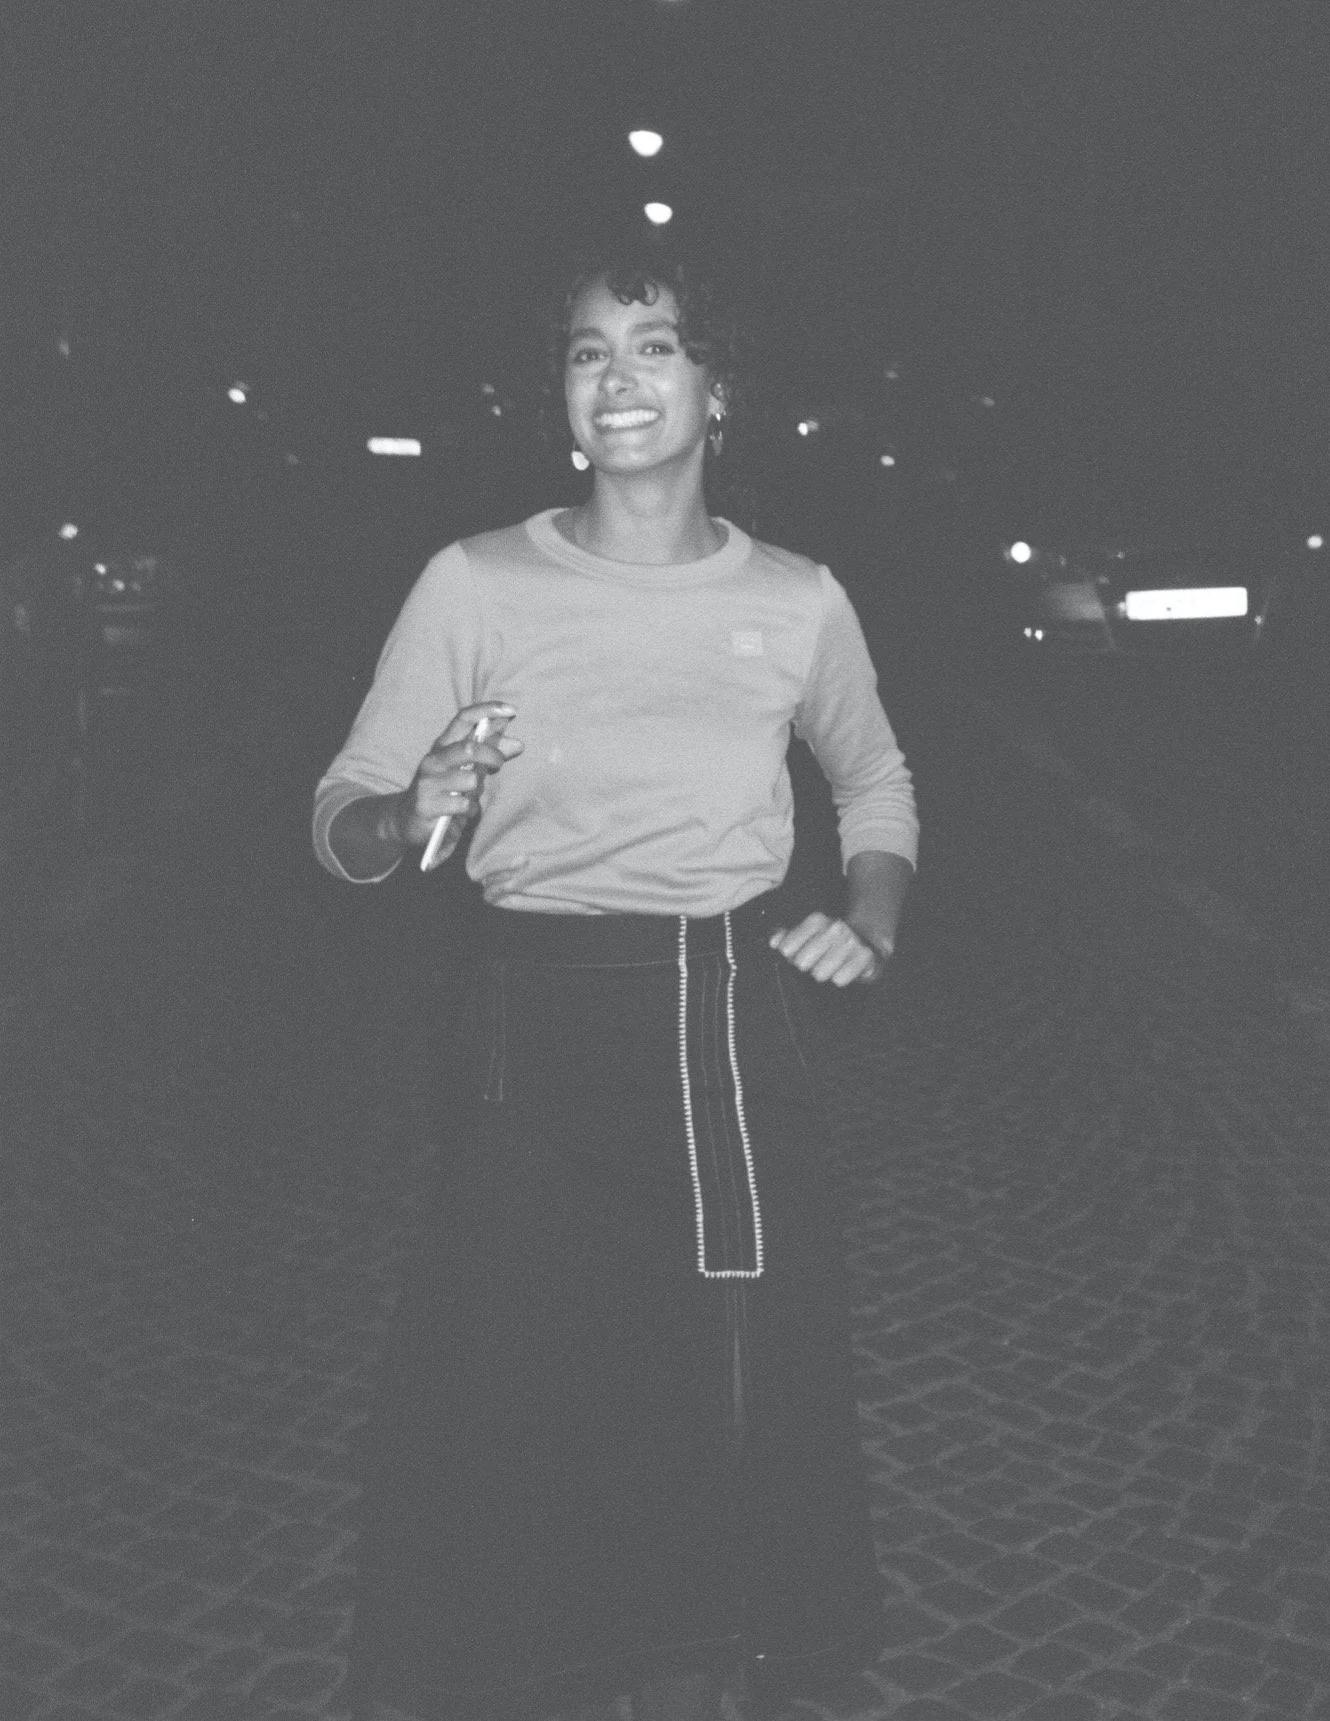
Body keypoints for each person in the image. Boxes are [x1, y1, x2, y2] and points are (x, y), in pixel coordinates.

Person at [313, 250, 918, 1721]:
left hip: (720, 1026)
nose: (622, 378)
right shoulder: (476, 580)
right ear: (561, 398)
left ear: (717, 388)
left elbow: (875, 777)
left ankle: (730, 1677)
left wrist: (872, 911)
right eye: (590, 354)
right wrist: (413, 808)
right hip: (532, 1034)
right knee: (530, 1404)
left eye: (656, 347)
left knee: (734, 1387)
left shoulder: (794, 598)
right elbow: (344, 819)